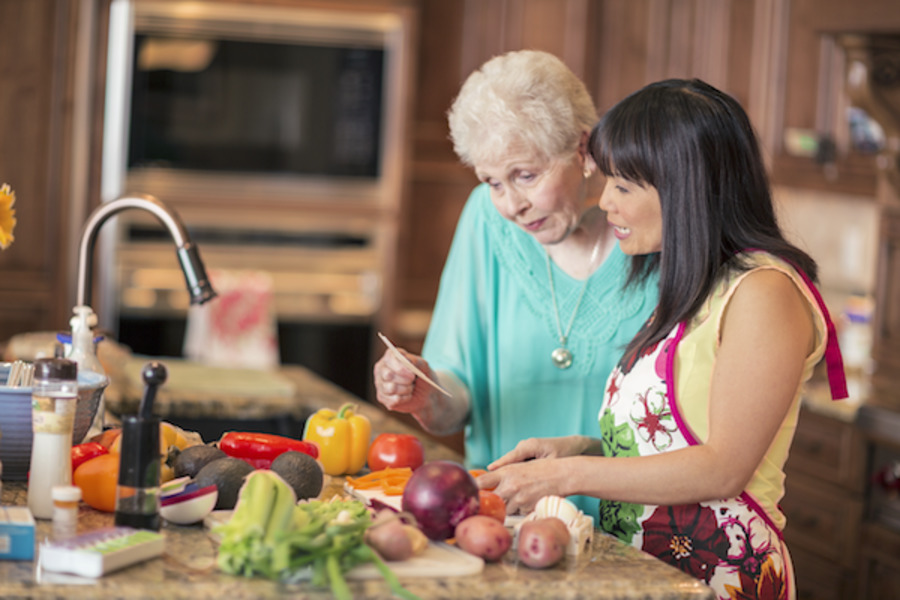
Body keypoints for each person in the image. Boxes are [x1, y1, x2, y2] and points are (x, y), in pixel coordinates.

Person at [479, 78, 848, 598]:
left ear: (686, 187)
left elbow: (722, 468)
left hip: (722, 576)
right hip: (651, 570)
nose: (605, 200)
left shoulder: (765, 292)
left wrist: (568, 477)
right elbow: (676, 441)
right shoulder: (694, 284)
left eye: (624, 186)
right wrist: (579, 449)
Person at [372, 50, 658, 518]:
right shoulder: (486, 219)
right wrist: (426, 393)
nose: (510, 205)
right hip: (502, 519)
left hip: (633, 531)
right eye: (493, 181)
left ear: (583, 150)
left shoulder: (651, 234)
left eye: (526, 175)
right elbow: (457, 397)